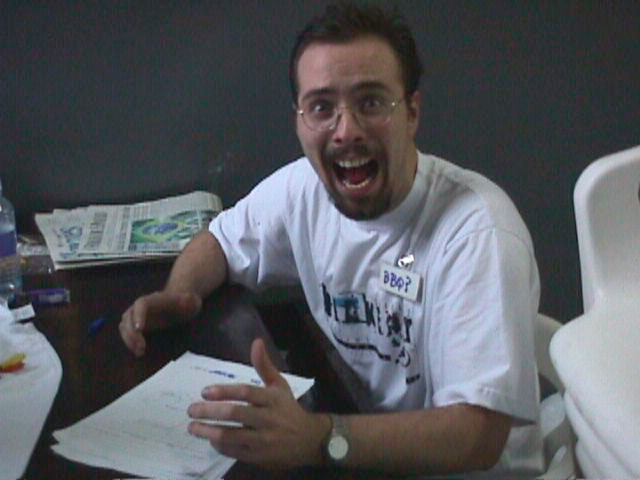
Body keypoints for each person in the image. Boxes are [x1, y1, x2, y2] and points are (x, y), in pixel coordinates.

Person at [119, 3, 543, 477]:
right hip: (364, 448)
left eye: (371, 103)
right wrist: (180, 294)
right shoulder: (304, 189)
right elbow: (219, 241)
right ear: (299, 121)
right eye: (322, 108)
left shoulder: (477, 233)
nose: (346, 131)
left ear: (412, 113)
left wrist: (319, 438)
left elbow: (478, 436)